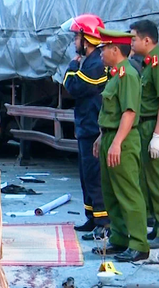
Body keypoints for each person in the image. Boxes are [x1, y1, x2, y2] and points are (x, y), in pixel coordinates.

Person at [91, 27, 149, 262]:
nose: (101, 53)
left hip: (122, 141)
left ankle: (138, 244)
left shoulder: (128, 75)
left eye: (103, 48)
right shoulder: (116, 74)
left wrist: (116, 143)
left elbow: (129, 112)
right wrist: (101, 137)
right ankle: (119, 239)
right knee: (111, 192)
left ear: (115, 49)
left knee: (128, 192)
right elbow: (111, 112)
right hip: (111, 137)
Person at [62, 14, 110, 240]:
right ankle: (92, 218)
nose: (75, 42)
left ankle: (103, 223)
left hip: (93, 127)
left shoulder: (95, 65)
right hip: (86, 125)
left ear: (87, 38)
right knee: (85, 175)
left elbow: (72, 86)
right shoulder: (91, 62)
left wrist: (72, 65)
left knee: (94, 176)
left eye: (77, 37)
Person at [129, 19, 159, 245]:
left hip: (152, 125)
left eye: (133, 38)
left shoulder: (156, 63)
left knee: (155, 181)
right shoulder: (148, 63)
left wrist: (157, 135)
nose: (130, 42)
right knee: (148, 181)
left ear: (146, 40)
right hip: (145, 125)